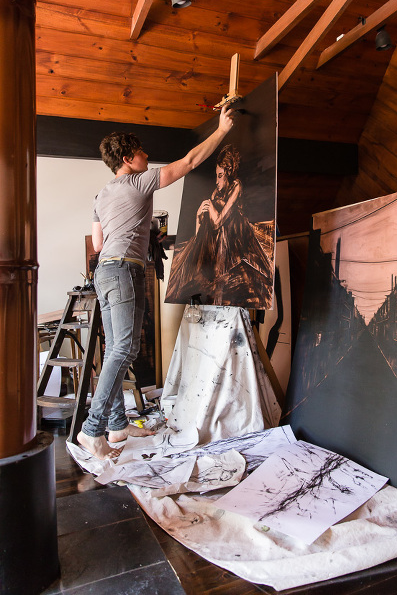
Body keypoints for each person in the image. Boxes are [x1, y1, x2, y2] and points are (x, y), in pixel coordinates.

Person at [77, 106, 235, 460]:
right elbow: (191, 161)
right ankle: (93, 429)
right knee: (125, 349)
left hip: (103, 271)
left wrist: (141, 232)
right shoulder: (139, 181)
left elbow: (99, 243)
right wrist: (223, 129)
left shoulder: (100, 195)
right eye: (143, 153)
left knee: (116, 347)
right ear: (128, 157)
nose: (147, 157)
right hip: (124, 270)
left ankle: (117, 427)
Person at [165, 143, 273, 307]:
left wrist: (211, 206)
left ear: (228, 174)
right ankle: (208, 271)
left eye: (220, 175)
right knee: (209, 211)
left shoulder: (236, 185)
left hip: (236, 235)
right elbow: (200, 231)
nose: (216, 181)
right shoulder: (217, 193)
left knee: (215, 209)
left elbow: (217, 222)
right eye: (216, 176)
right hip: (218, 241)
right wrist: (198, 215)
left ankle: (219, 272)